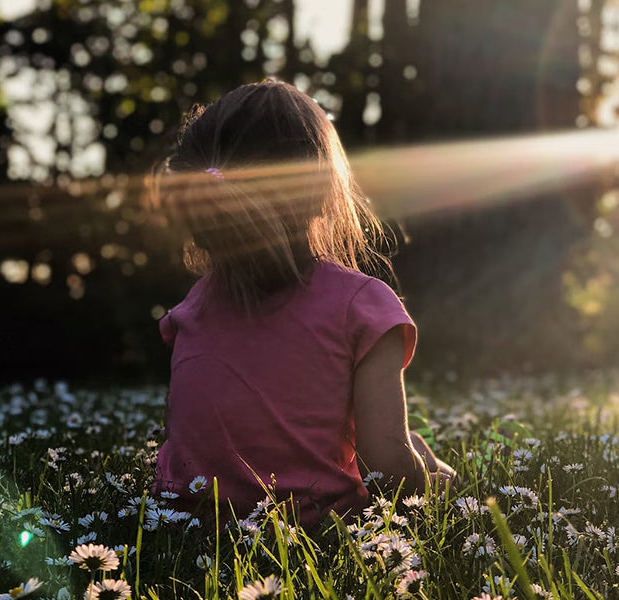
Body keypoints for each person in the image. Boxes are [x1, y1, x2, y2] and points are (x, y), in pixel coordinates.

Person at [151, 80, 455, 527]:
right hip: (314, 529)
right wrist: (437, 487)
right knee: (417, 454)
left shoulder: (192, 309)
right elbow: (387, 466)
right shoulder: (362, 307)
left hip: (188, 523)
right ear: (318, 193)